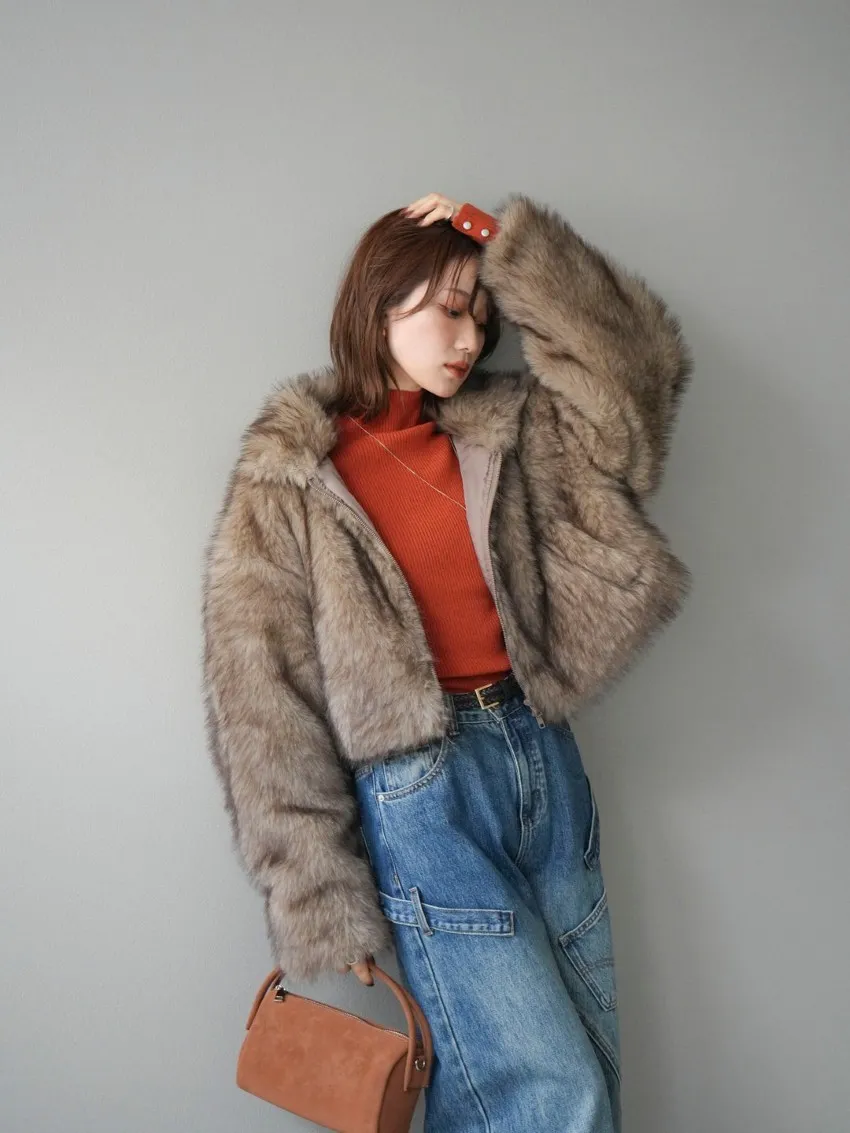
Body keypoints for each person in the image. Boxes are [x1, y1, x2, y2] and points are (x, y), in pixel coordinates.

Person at [201, 191, 693, 1132]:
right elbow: (261, 697)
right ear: (379, 303)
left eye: (483, 316)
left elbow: (637, 387)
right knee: (557, 1097)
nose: (470, 338)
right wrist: (319, 891)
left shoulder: (510, 432)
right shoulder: (295, 475)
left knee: (567, 1068)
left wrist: (508, 245)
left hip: (542, 755)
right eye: (450, 308)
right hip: (423, 795)